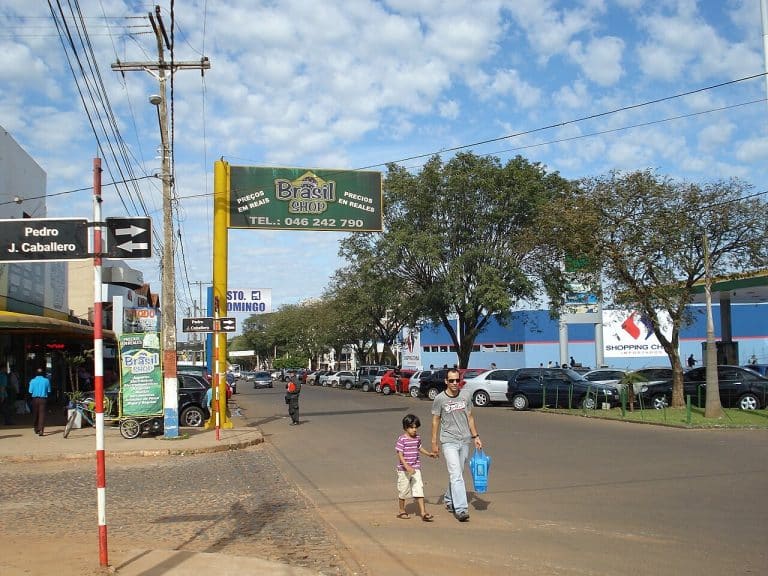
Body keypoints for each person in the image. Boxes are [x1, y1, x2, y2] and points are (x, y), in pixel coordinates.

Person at [431, 368, 482, 522]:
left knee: (457, 472)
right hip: (448, 441)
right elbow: (435, 420)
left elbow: (470, 417)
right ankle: (461, 509)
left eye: (457, 380)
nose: (454, 383)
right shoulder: (440, 399)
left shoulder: (465, 396)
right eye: (451, 380)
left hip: (465, 440)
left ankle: (449, 498)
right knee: (456, 474)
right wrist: (434, 442)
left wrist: (476, 436)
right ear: (446, 381)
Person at [395, 414, 436, 522]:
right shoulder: (402, 439)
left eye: (416, 427)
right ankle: (401, 510)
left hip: (416, 467)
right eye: (412, 427)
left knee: (419, 488)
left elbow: (419, 448)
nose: (414, 430)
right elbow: (400, 454)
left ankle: (423, 512)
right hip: (404, 470)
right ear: (405, 427)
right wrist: (407, 466)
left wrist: (428, 454)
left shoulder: (417, 438)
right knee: (403, 490)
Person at [28, 368, 51, 436]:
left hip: (35, 399)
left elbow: (30, 391)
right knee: (42, 414)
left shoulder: (32, 381)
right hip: (43, 399)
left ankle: (36, 428)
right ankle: (41, 429)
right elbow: (49, 390)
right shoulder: (46, 380)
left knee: (35, 414)